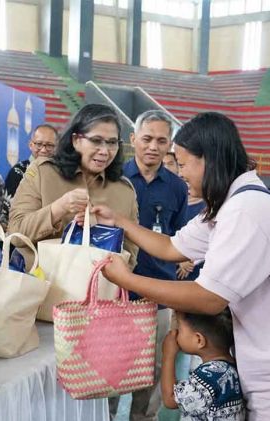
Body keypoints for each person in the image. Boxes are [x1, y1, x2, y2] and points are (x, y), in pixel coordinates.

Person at [85, 112, 270, 419]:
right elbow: (171, 246)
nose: (180, 172)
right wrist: (119, 222)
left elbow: (209, 297)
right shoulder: (229, 204)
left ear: (208, 160)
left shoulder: (247, 211)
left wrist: (127, 280)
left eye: (182, 162)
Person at [116, 110, 186, 421]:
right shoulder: (113, 178)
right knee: (113, 364)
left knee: (153, 366)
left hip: (158, 292)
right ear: (133, 140)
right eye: (147, 139)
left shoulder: (177, 187)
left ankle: (144, 418)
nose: (153, 146)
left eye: (161, 140)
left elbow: (180, 238)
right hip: (115, 291)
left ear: (169, 144)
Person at [8, 103, 139, 269]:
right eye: (96, 141)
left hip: (98, 291)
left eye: (112, 142)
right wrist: (58, 208)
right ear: (76, 140)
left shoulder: (124, 190)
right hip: (41, 288)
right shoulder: (43, 173)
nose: (105, 151)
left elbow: (130, 255)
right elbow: (15, 234)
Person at [161, 310, 245, 421]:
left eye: (179, 329)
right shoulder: (232, 366)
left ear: (199, 340)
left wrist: (168, 355)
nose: (175, 333)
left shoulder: (208, 376)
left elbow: (170, 399)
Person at [4, 124, 58, 197]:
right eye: (39, 144)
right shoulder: (18, 171)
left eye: (49, 145)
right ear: (30, 145)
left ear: (56, 147)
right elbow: (10, 206)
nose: (43, 150)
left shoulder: (61, 172)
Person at [176, 195, 206, 280]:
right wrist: (179, 260)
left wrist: (190, 261)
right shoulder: (174, 204)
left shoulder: (209, 208)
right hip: (172, 267)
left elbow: (211, 240)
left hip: (198, 270)